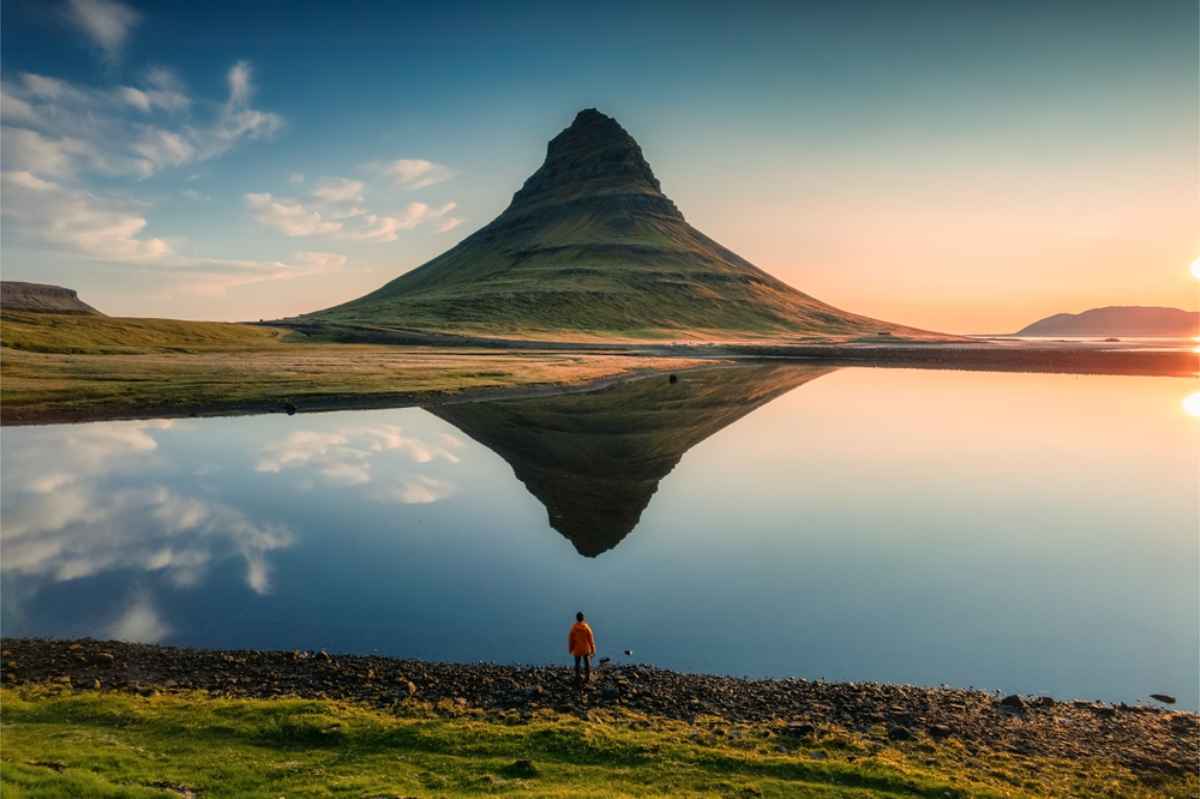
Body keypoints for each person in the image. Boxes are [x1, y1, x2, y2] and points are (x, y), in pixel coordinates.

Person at [568, 611, 596, 684]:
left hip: (577, 649)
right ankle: (587, 677)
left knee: (577, 663)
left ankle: (577, 676)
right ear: (583, 618)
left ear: (577, 619)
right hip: (585, 649)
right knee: (587, 664)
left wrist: (570, 649)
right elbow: (591, 640)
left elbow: (571, 640)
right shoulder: (587, 628)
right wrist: (593, 650)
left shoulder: (573, 628)